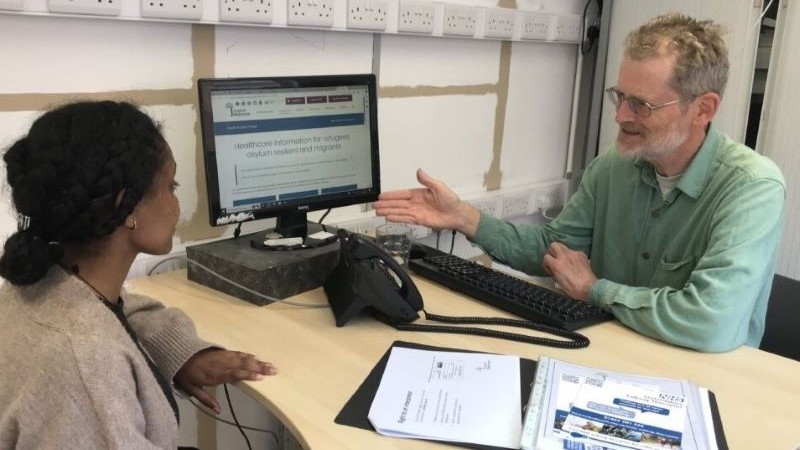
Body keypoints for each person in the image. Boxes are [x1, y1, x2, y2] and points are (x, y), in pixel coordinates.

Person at [375, 13, 786, 353]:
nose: (620, 116)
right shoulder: (616, 166)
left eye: (640, 105)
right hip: (612, 352)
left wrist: (595, 290)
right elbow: (554, 252)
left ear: (703, 109)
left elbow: (709, 322)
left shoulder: (752, 188)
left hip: (707, 380)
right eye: (619, 96)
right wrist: (467, 219)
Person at [0, 101, 278, 448]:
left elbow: (117, 310)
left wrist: (181, 352)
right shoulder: (86, 366)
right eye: (171, 188)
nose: (176, 205)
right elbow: (92, 344)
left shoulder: (40, 282)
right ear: (125, 206)